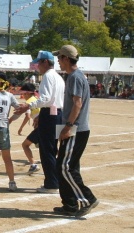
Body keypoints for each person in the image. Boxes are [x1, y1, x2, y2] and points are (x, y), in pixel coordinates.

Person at [53, 45, 99, 217]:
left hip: (75, 128)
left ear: (66, 58)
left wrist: (68, 127)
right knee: (65, 166)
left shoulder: (74, 77)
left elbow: (77, 104)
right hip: (74, 127)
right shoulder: (75, 76)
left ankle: (88, 199)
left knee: (65, 167)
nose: (58, 60)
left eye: (59, 57)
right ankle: (70, 204)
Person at [14, 51, 65, 194]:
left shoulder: (48, 76)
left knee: (46, 149)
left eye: (39, 63)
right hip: (57, 114)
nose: (37, 66)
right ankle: (55, 180)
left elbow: (46, 99)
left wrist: (29, 106)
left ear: (45, 62)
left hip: (50, 114)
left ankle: (51, 184)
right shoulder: (58, 77)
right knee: (53, 149)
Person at [18, 83, 41, 175]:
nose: (23, 95)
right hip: (45, 125)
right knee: (47, 146)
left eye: (23, 93)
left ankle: (33, 164)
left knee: (25, 145)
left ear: (27, 93)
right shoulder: (36, 99)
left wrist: (21, 128)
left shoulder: (29, 102)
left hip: (41, 127)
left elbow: (27, 116)